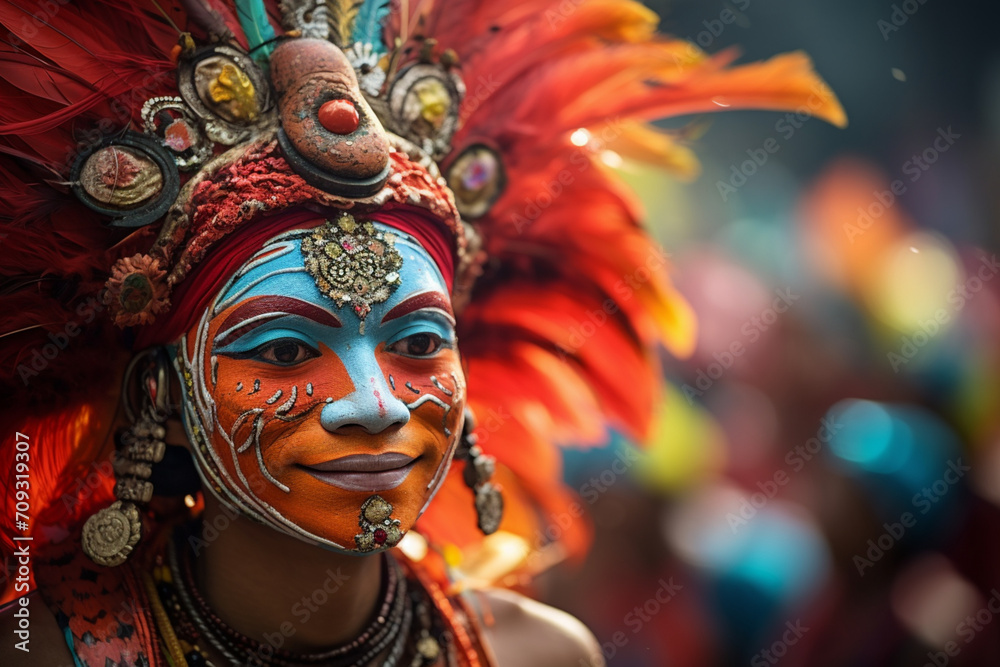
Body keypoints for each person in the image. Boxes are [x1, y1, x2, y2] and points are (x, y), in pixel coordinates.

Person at [0, 1, 845, 664]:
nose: (374, 404)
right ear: (163, 392)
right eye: (288, 348)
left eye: (416, 343)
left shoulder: (538, 656)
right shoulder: (43, 650)